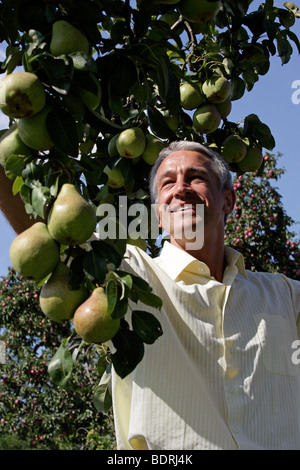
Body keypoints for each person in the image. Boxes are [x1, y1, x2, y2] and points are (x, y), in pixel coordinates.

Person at [1, 140, 299, 450]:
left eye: (196, 177)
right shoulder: (127, 275)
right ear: (158, 215)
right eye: (168, 182)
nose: (180, 189)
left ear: (228, 200)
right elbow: (53, 229)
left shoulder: (285, 296)